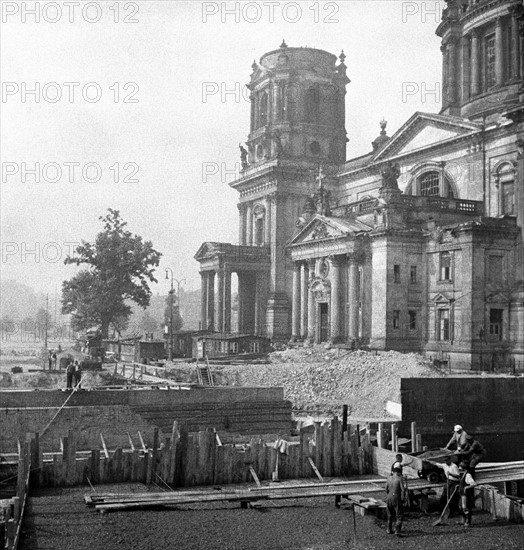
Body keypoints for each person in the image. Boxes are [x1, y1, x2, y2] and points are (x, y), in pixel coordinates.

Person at [385, 466, 406, 536]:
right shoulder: (399, 479)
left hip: (389, 497)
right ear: (398, 472)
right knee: (399, 514)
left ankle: (388, 529)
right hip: (396, 497)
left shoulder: (388, 478)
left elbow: (386, 489)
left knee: (390, 514)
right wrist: (403, 498)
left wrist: (389, 494)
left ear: (393, 472)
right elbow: (403, 490)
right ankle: (397, 530)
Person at [458, 460, 477, 527]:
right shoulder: (463, 474)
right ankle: (464, 520)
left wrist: (466, 487)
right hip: (462, 493)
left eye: (460, 466)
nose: (459, 468)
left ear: (463, 467)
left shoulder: (468, 475)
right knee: (461, 507)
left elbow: (474, 484)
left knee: (466, 507)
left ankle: (468, 521)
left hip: (466, 494)